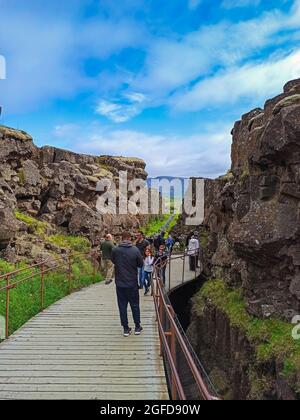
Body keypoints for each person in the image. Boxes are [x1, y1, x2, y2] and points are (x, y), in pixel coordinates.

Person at [111, 231, 144, 337]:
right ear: (129, 238)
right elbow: (140, 264)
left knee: (122, 306)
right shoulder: (135, 250)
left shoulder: (115, 250)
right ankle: (137, 326)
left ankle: (126, 328)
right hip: (132, 283)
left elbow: (113, 261)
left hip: (120, 283)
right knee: (135, 305)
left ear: (122, 238)